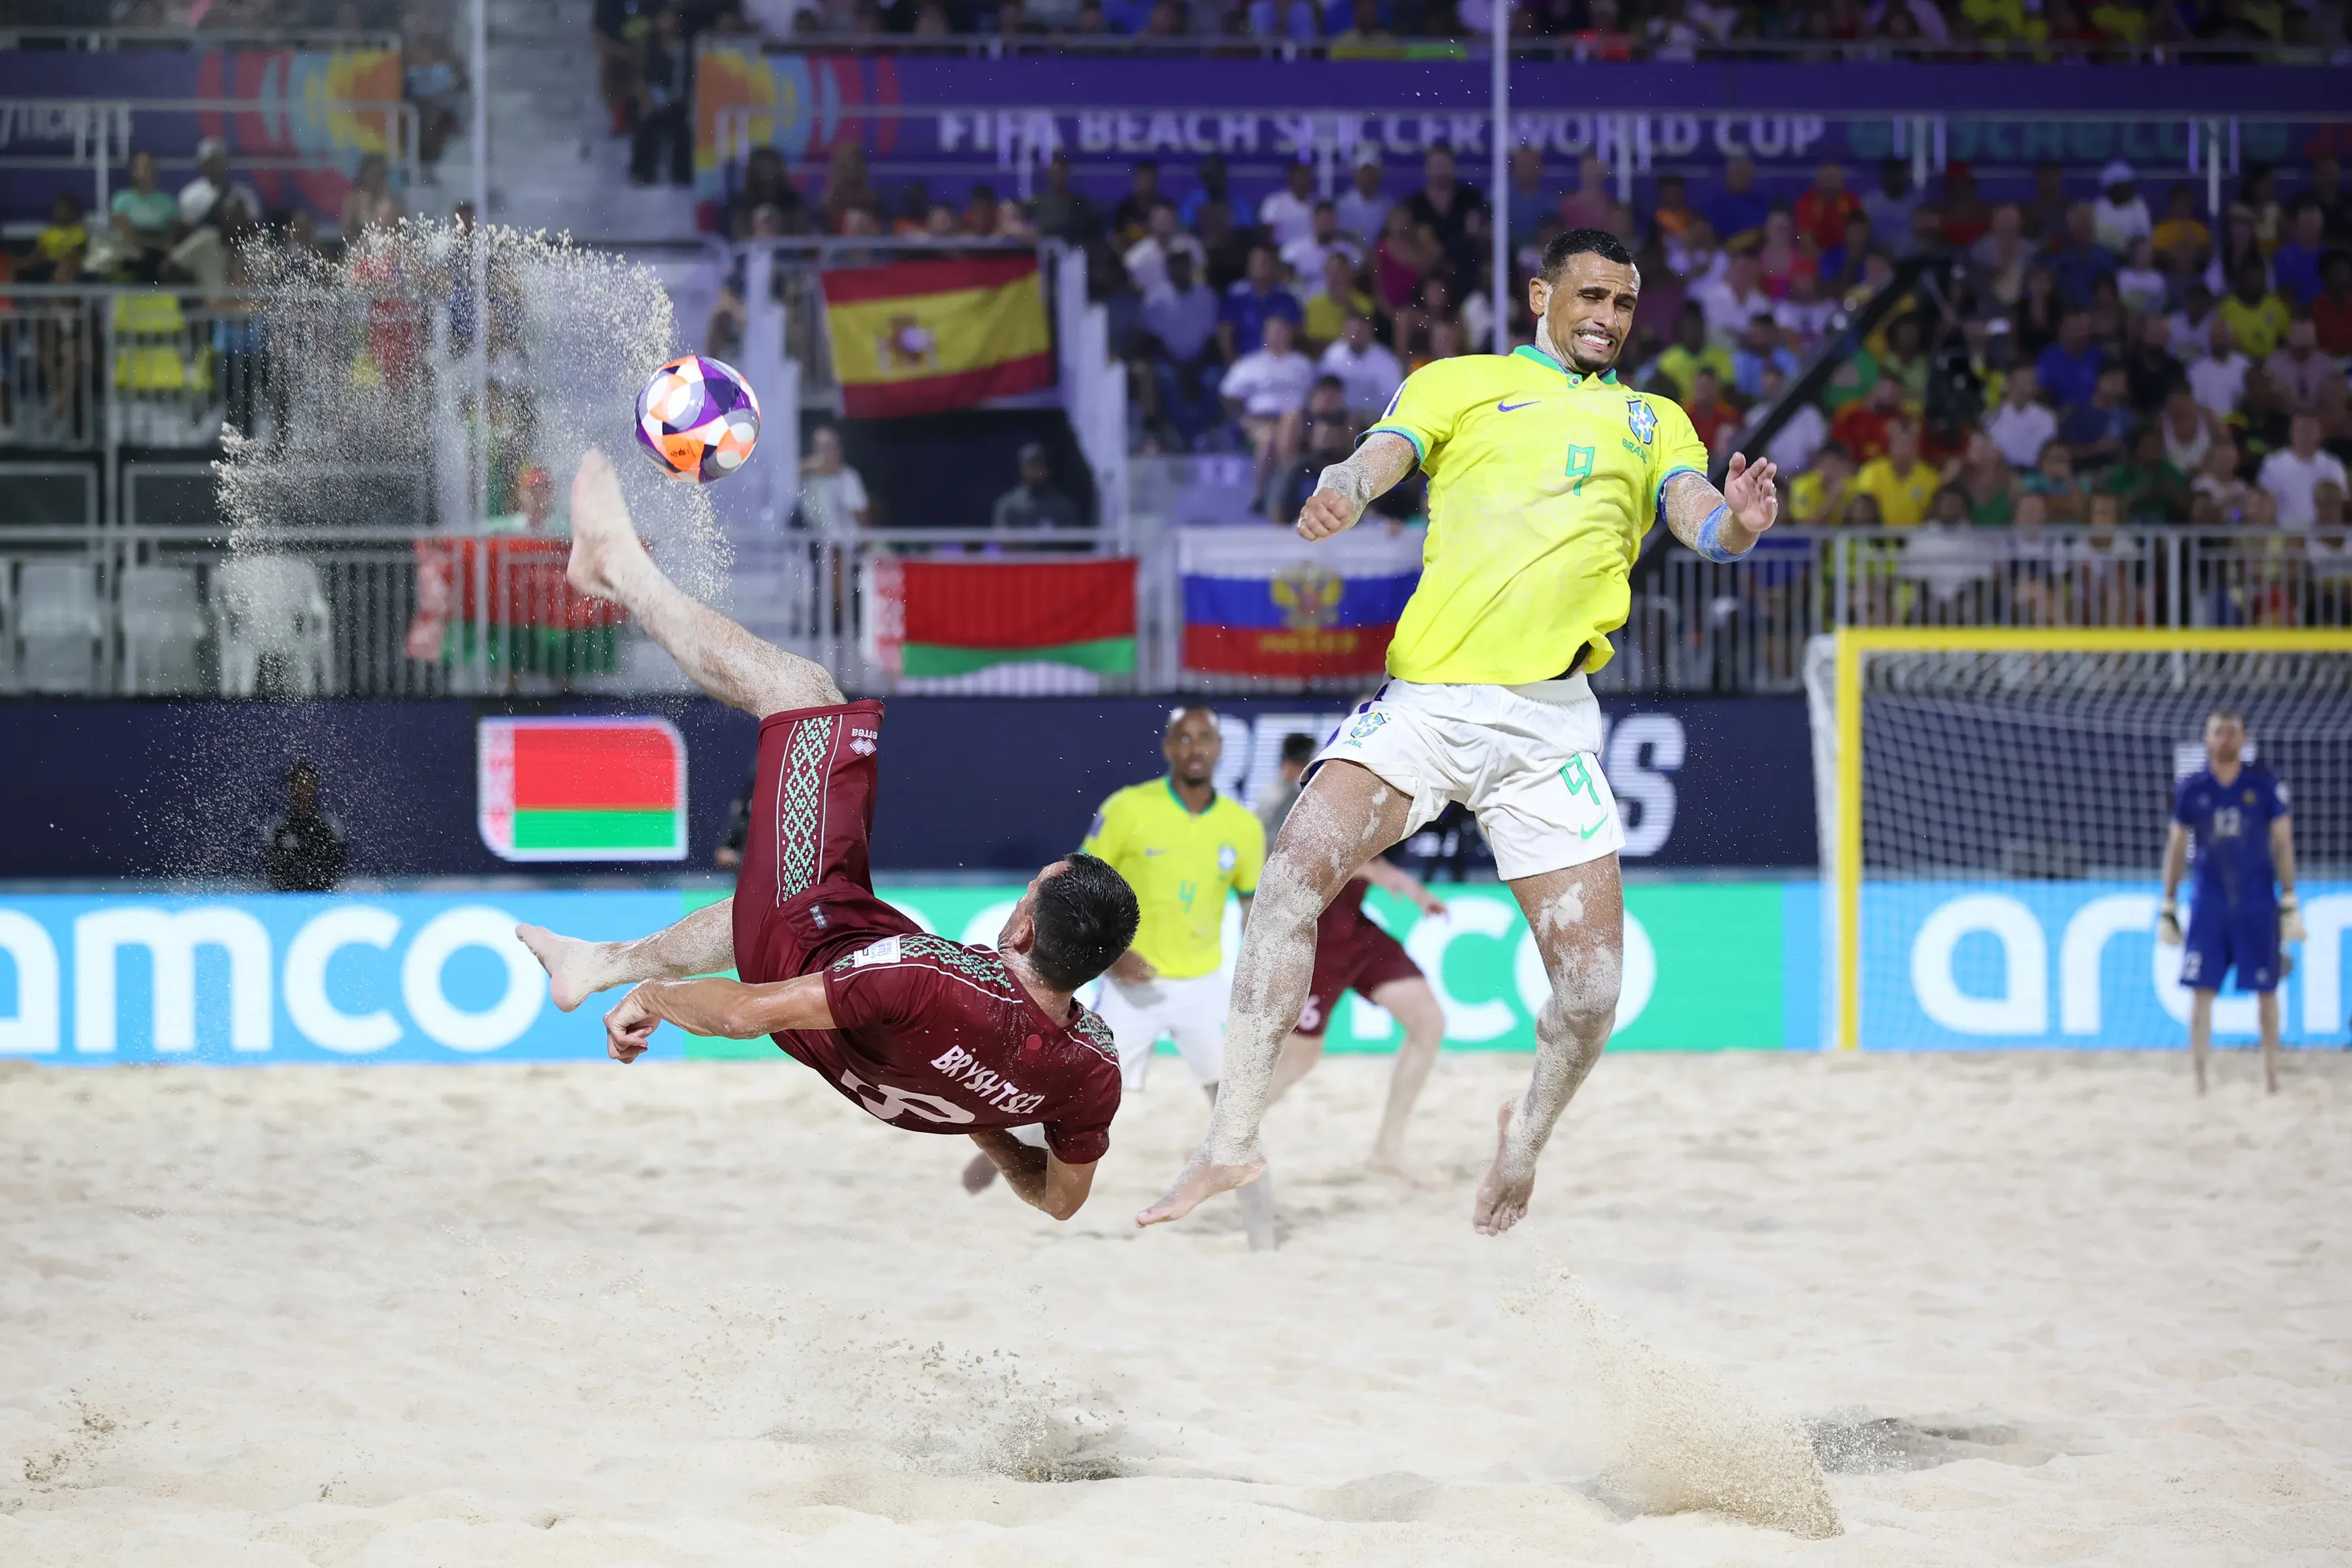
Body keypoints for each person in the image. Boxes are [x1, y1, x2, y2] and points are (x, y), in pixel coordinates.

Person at [1137, 228, 1777, 1239]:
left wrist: (1737, 522)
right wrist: (1345, 487)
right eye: (1591, 296)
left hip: (1549, 729)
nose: (1608, 316)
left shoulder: (1656, 420)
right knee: (1291, 874)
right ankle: (1231, 1141)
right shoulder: (1462, 382)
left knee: (1592, 991)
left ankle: (1521, 1137)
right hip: (1428, 708)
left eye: (1623, 301)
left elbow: (1699, 517)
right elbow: (1383, 450)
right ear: (1541, 295)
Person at [517, 451, 1141, 1221]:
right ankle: (597, 962)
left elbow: (744, 1015)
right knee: (805, 890)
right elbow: (1058, 1201)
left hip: (805, 948)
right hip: (863, 1002)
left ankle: (616, 568)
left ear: (1020, 927)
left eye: (1027, 892)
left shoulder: (928, 977)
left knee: (802, 694)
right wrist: (984, 1114)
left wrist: (655, 999)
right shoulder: (1090, 1069)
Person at [1063, 707, 1274, 1246]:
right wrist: (1113, 955)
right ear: (1168, 748)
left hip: (1202, 987)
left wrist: (1261, 977)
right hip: (1130, 989)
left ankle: (1263, 1231)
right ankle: (1009, 1177)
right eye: (1186, 739)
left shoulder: (1243, 826)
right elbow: (1079, 886)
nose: (1196, 748)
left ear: (1220, 748)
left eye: (1206, 739)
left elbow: (1254, 909)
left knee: (1233, 1114)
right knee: (1074, 1093)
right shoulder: (1129, 808)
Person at [1251, 732, 1452, 1182]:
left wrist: (1412, 891)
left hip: (1356, 932)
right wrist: (1406, 887)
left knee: (1428, 1022)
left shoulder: (1380, 784)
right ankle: (1224, 1138)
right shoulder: (1306, 794)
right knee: (1300, 1059)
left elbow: (1369, 862)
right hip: (1315, 942)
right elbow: (1329, 858)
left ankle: (1389, 1149)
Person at [2158, 709, 2303, 1096]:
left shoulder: (2264, 783)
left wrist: (2289, 898)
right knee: (2201, 991)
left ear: (2244, 738)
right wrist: (2168, 904)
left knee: (2267, 991)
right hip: (2209, 901)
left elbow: (2283, 842)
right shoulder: (2191, 787)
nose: (2225, 739)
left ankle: (2272, 1076)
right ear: (2207, 739)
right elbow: (2175, 847)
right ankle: (2199, 1079)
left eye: (2232, 732)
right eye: (2218, 732)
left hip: (2256, 900)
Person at [261, 762, 348, 892]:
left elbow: (336, 865)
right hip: (286, 898)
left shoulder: (331, 826)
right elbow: (271, 867)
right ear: (290, 788)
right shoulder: (277, 827)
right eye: (299, 784)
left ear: (315, 788)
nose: (303, 790)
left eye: (308, 784)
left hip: (321, 897)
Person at [2257, 412, 2349, 535]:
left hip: (2323, 538)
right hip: (2284, 535)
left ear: (2320, 434)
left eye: (2310, 430)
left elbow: (2342, 503)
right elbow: (2264, 506)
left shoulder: (2333, 466)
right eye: (2301, 430)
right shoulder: (2273, 465)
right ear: (2291, 433)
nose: (2306, 436)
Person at [1318, 310, 1404, 420]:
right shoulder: (1333, 354)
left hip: (1374, 418)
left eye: (1360, 330)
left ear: (1371, 332)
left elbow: (1394, 398)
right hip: (1338, 417)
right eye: (1352, 330)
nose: (1356, 334)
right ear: (1344, 331)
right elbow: (1322, 389)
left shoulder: (1386, 360)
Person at [991, 443, 1081, 533]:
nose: (1036, 471)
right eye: (1031, 466)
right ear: (1022, 469)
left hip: (1052, 548)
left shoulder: (1062, 505)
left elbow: (1070, 539)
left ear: (1047, 469)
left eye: (1039, 466)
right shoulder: (1008, 504)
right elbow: (1003, 536)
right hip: (1020, 547)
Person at [796, 425, 870, 534]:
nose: (825, 453)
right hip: (813, 543)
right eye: (820, 448)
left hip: (845, 545)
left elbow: (861, 516)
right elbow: (786, 472)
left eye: (829, 448)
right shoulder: (807, 477)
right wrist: (809, 467)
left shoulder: (849, 477)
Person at [1984, 364, 2058, 470]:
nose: (2025, 389)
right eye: (2021, 383)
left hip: (2038, 474)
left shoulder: (2048, 418)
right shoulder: (1990, 417)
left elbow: (2049, 452)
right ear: (2008, 385)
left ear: (2036, 388)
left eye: (2030, 383)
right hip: (2002, 473)